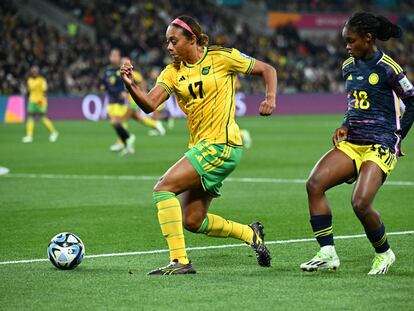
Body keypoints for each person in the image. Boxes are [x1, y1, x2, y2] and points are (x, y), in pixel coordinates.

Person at [120, 16, 277, 275]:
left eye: (174, 41)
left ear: (192, 39)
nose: (169, 47)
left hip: (222, 144)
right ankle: (251, 234)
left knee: (163, 188)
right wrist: (131, 86)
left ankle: (179, 261)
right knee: (192, 220)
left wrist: (270, 98)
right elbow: (149, 105)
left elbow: (267, 70)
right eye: (167, 42)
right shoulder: (172, 72)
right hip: (202, 147)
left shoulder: (221, 57)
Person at [300, 12, 414, 275]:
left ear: (368, 38)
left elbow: (412, 102)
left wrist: (397, 138)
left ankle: (384, 253)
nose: (347, 46)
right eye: (345, 42)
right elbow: (354, 104)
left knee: (360, 203)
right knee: (314, 184)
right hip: (353, 143)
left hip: (380, 144)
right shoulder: (348, 66)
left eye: (351, 41)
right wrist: (345, 125)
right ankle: (327, 253)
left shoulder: (389, 68)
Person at [101, 49, 135, 155]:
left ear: (119, 58)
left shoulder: (122, 69)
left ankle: (127, 139)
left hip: (119, 101)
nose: (113, 58)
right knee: (115, 123)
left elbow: (129, 81)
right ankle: (127, 145)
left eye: (116, 56)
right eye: (112, 55)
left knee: (117, 122)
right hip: (111, 101)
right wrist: (103, 86)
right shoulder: (107, 70)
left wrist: (125, 92)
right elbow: (104, 83)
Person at [120, 57, 166, 136]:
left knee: (122, 118)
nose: (122, 65)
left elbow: (142, 82)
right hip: (128, 99)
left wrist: (143, 93)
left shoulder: (134, 74)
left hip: (133, 99)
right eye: (122, 63)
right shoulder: (120, 73)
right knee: (136, 117)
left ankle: (124, 139)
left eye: (124, 63)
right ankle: (156, 125)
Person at [22, 66, 58, 143]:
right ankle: (29, 136)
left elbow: (44, 91)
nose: (34, 72)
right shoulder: (29, 80)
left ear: (38, 72)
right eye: (33, 71)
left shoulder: (42, 80)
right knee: (30, 117)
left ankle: (53, 132)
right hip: (32, 101)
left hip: (40, 101)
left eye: (35, 71)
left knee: (43, 117)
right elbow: (29, 90)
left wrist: (41, 100)